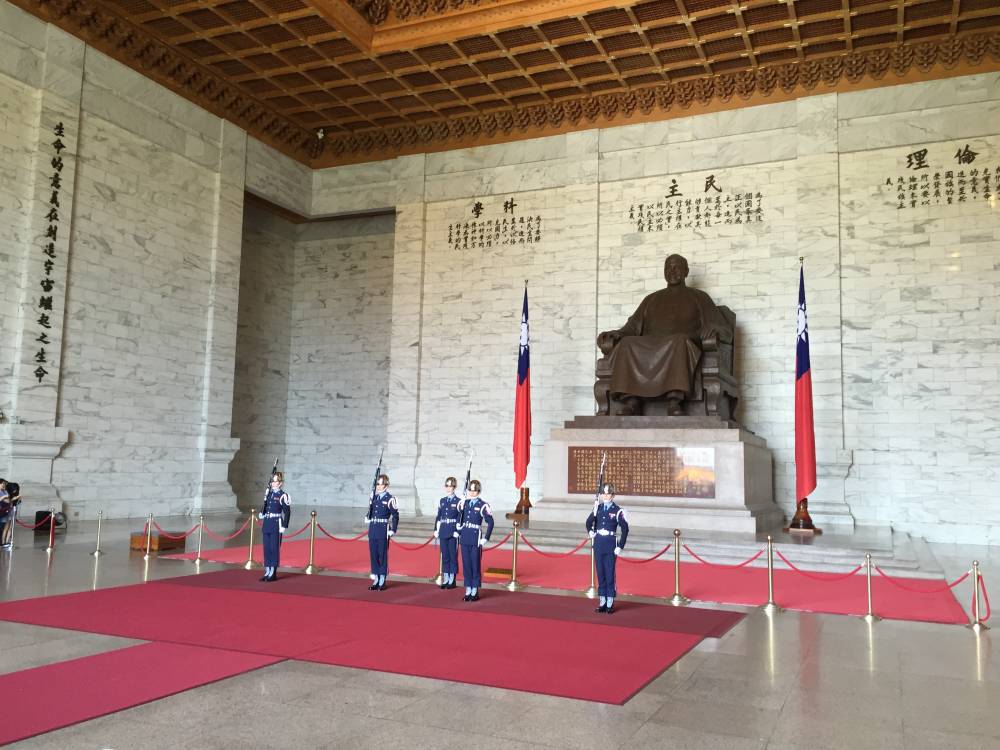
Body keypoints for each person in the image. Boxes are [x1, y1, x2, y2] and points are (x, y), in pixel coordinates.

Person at [597, 253, 732, 416]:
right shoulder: (651, 299)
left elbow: (724, 329)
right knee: (627, 343)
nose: (672, 271)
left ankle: (674, 400)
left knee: (679, 340)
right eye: (667, 268)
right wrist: (615, 333)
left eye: (677, 267)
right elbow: (631, 327)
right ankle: (632, 401)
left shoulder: (699, 297)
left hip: (681, 343)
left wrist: (714, 329)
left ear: (686, 271)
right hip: (651, 344)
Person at [586, 482, 629, 614]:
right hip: (599, 543)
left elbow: (625, 529)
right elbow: (588, 523)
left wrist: (620, 546)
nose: (605, 496)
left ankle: (610, 600)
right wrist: (590, 531)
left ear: (613, 495)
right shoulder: (597, 508)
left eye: (608, 493)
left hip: (610, 544)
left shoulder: (617, 511)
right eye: (603, 493)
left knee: (609, 573)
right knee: (600, 573)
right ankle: (602, 601)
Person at [457, 479, 493, 602]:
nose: (472, 492)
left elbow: (490, 522)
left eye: (475, 490)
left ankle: (475, 590)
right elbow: (459, 516)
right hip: (465, 536)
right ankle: (468, 589)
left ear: (479, 491)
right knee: (466, 564)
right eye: (470, 490)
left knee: (475, 564)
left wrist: (486, 538)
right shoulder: (465, 503)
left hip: (475, 537)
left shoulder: (483, 505)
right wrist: (459, 528)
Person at [366, 474, 398, 590]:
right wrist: (368, 517)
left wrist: (393, 529)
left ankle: (382, 579)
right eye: (377, 484)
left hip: (383, 529)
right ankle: (376, 578)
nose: (379, 486)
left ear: (386, 485)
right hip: (373, 528)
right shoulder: (374, 497)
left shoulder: (390, 499)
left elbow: (395, 515)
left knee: (382, 554)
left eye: (381, 484)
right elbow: (371, 511)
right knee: (373, 554)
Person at [259, 473, 291, 582]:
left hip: (276, 524)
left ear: (280, 483)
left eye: (276, 481)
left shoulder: (283, 495)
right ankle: (267, 571)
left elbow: (287, 512)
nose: (273, 483)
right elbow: (265, 506)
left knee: (274, 549)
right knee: (267, 549)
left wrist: (284, 525)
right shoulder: (269, 494)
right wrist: (261, 513)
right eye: (272, 481)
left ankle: (273, 572)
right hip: (267, 523)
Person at [434, 476, 461, 589]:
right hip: (443, 530)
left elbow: (460, 517)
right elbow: (439, 516)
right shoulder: (443, 500)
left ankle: (452, 579)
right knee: (445, 556)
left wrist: (457, 531)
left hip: (452, 531)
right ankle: (446, 578)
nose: (448, 488)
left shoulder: (458, 501)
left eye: (450, 486)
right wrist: (436, 529)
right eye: (447, 486)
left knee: (452, 556)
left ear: (454, 487)